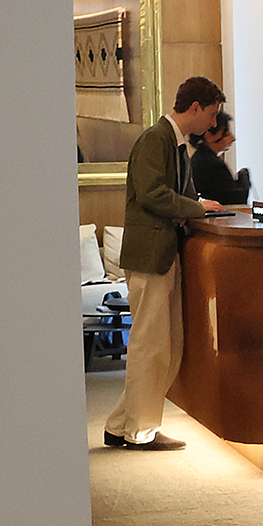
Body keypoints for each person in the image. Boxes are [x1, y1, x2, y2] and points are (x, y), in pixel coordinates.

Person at [102, 76, 226, 450]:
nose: (214, 123)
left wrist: (197, 208)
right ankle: (139, 432)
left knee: (162, 347)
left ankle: (122, 424)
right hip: (149, 255)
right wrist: (197, 208)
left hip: (161, 253)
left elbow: (170, 194)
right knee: (150, 346)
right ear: (195, 108)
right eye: (212, 114)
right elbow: (152, 194)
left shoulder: (175, 143)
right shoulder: (156, 139)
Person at [189, 110, 252, 204]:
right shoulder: (212, 164)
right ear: (209, 135)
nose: (232, 138)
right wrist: (244, 177)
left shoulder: (198, 158)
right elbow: (236, 198)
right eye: (226, 133)